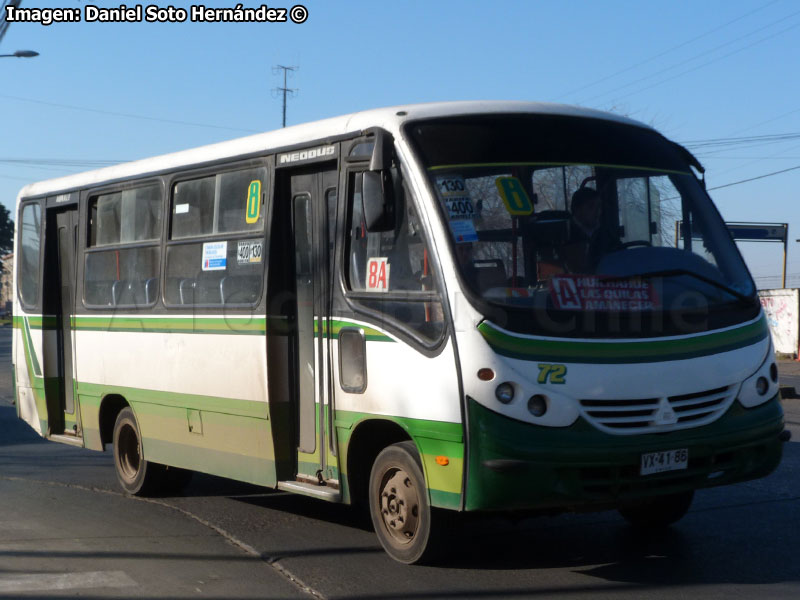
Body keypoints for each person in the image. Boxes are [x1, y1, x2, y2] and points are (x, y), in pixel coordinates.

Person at [565, 186, 618, 272]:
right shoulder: (567, 235)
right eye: (591, 207)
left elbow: (619, 251)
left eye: (599, 207)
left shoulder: (605, 232)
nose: (598, 211)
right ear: (577, 210)